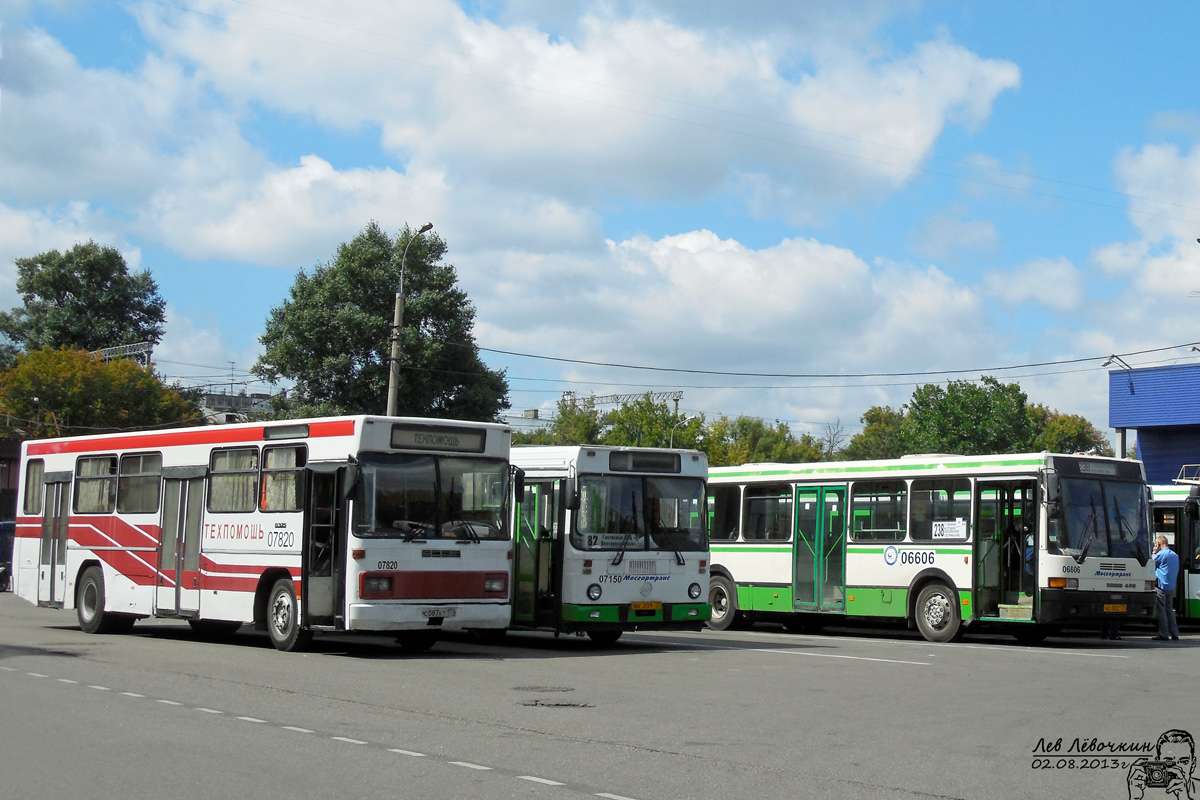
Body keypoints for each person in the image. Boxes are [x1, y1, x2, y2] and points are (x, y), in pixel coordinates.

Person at [1128, 728, 1195, 800]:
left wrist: (1184, 798)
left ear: (1193, 764)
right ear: (1157, 763)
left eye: (1184, 762)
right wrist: (1135, 798)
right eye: (1168, 762)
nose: (1177, 768)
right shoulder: (1144, 790)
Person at [1152, 535, 1181, 641]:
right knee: (1170, 610)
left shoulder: (1161, 554)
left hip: (1161, 586)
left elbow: (1151, 563)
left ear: (1159, 544)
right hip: (1171, 586)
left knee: (1161, 610)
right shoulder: (1175, 555)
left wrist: (1154, 552)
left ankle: (1163, 634)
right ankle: (1174, 633)